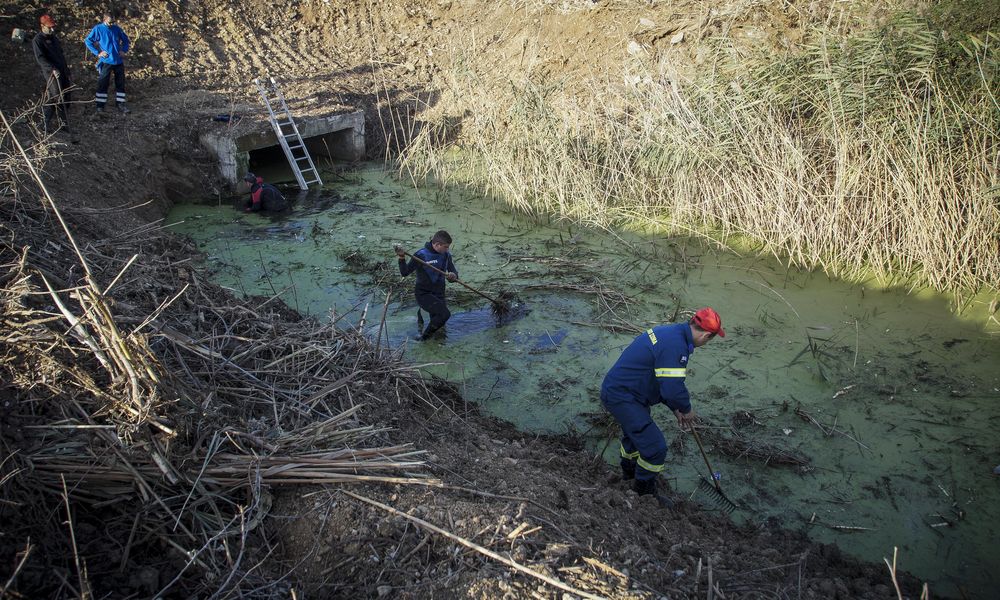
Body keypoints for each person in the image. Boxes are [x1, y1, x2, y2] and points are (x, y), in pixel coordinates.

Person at [601, 307, 726, 507]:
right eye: (710, 339)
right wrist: (685, 408)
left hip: (625, 392)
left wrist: (674, 408)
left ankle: (629, 474)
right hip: (623, 397)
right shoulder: (676, 346)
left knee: (634, 438)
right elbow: (672, 388)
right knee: (656, 448)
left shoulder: (673, 333)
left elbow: (661, 380)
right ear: (706, 336)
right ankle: (643, 493)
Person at [395, 231, 459, 340]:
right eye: (445, 247)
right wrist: (401, 257)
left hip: (439, 294)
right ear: (437, 244)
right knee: (444, 315)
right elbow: (404, 272)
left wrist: (453, 276)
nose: (447, 250)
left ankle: (437, 345)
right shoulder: (421, 255)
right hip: (424, 294)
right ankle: (423, 339)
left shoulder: (446, 255)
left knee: (439, 325)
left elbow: (453, 273)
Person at [32, 14, 72, 134]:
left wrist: (67, 71)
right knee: (55, 96)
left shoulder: (54, 39)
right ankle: (43, 123)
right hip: (51, 73)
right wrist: (52, 69)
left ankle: (63, 123)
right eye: (49, 27)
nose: (52, 29)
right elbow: (40, 58)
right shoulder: (37, 40)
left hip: (62, 71)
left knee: (66, 96)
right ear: (42, 26)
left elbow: (61, 55)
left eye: (53, 27)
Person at [84, 11, 130, 114]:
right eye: (109, 22)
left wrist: (124, 50)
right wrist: (98, 53)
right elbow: (88, 41)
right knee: (103, 83)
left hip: (118, 61)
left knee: (120, 83)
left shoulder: (117, 29)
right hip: (106, 61)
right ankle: (100, 106)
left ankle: (120, 104)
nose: (111, 24)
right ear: (104, 20)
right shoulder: (98, 29)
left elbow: (126, 41)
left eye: (113, 22)